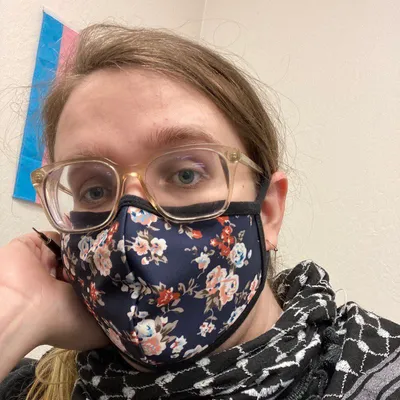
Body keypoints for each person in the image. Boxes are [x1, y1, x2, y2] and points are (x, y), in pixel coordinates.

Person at [0, 24, 399, 400]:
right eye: (96, 189)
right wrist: (14, 309)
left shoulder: (379, 373)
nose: (132, 227)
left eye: (186, 174)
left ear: (268, 210)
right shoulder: (28, 385)